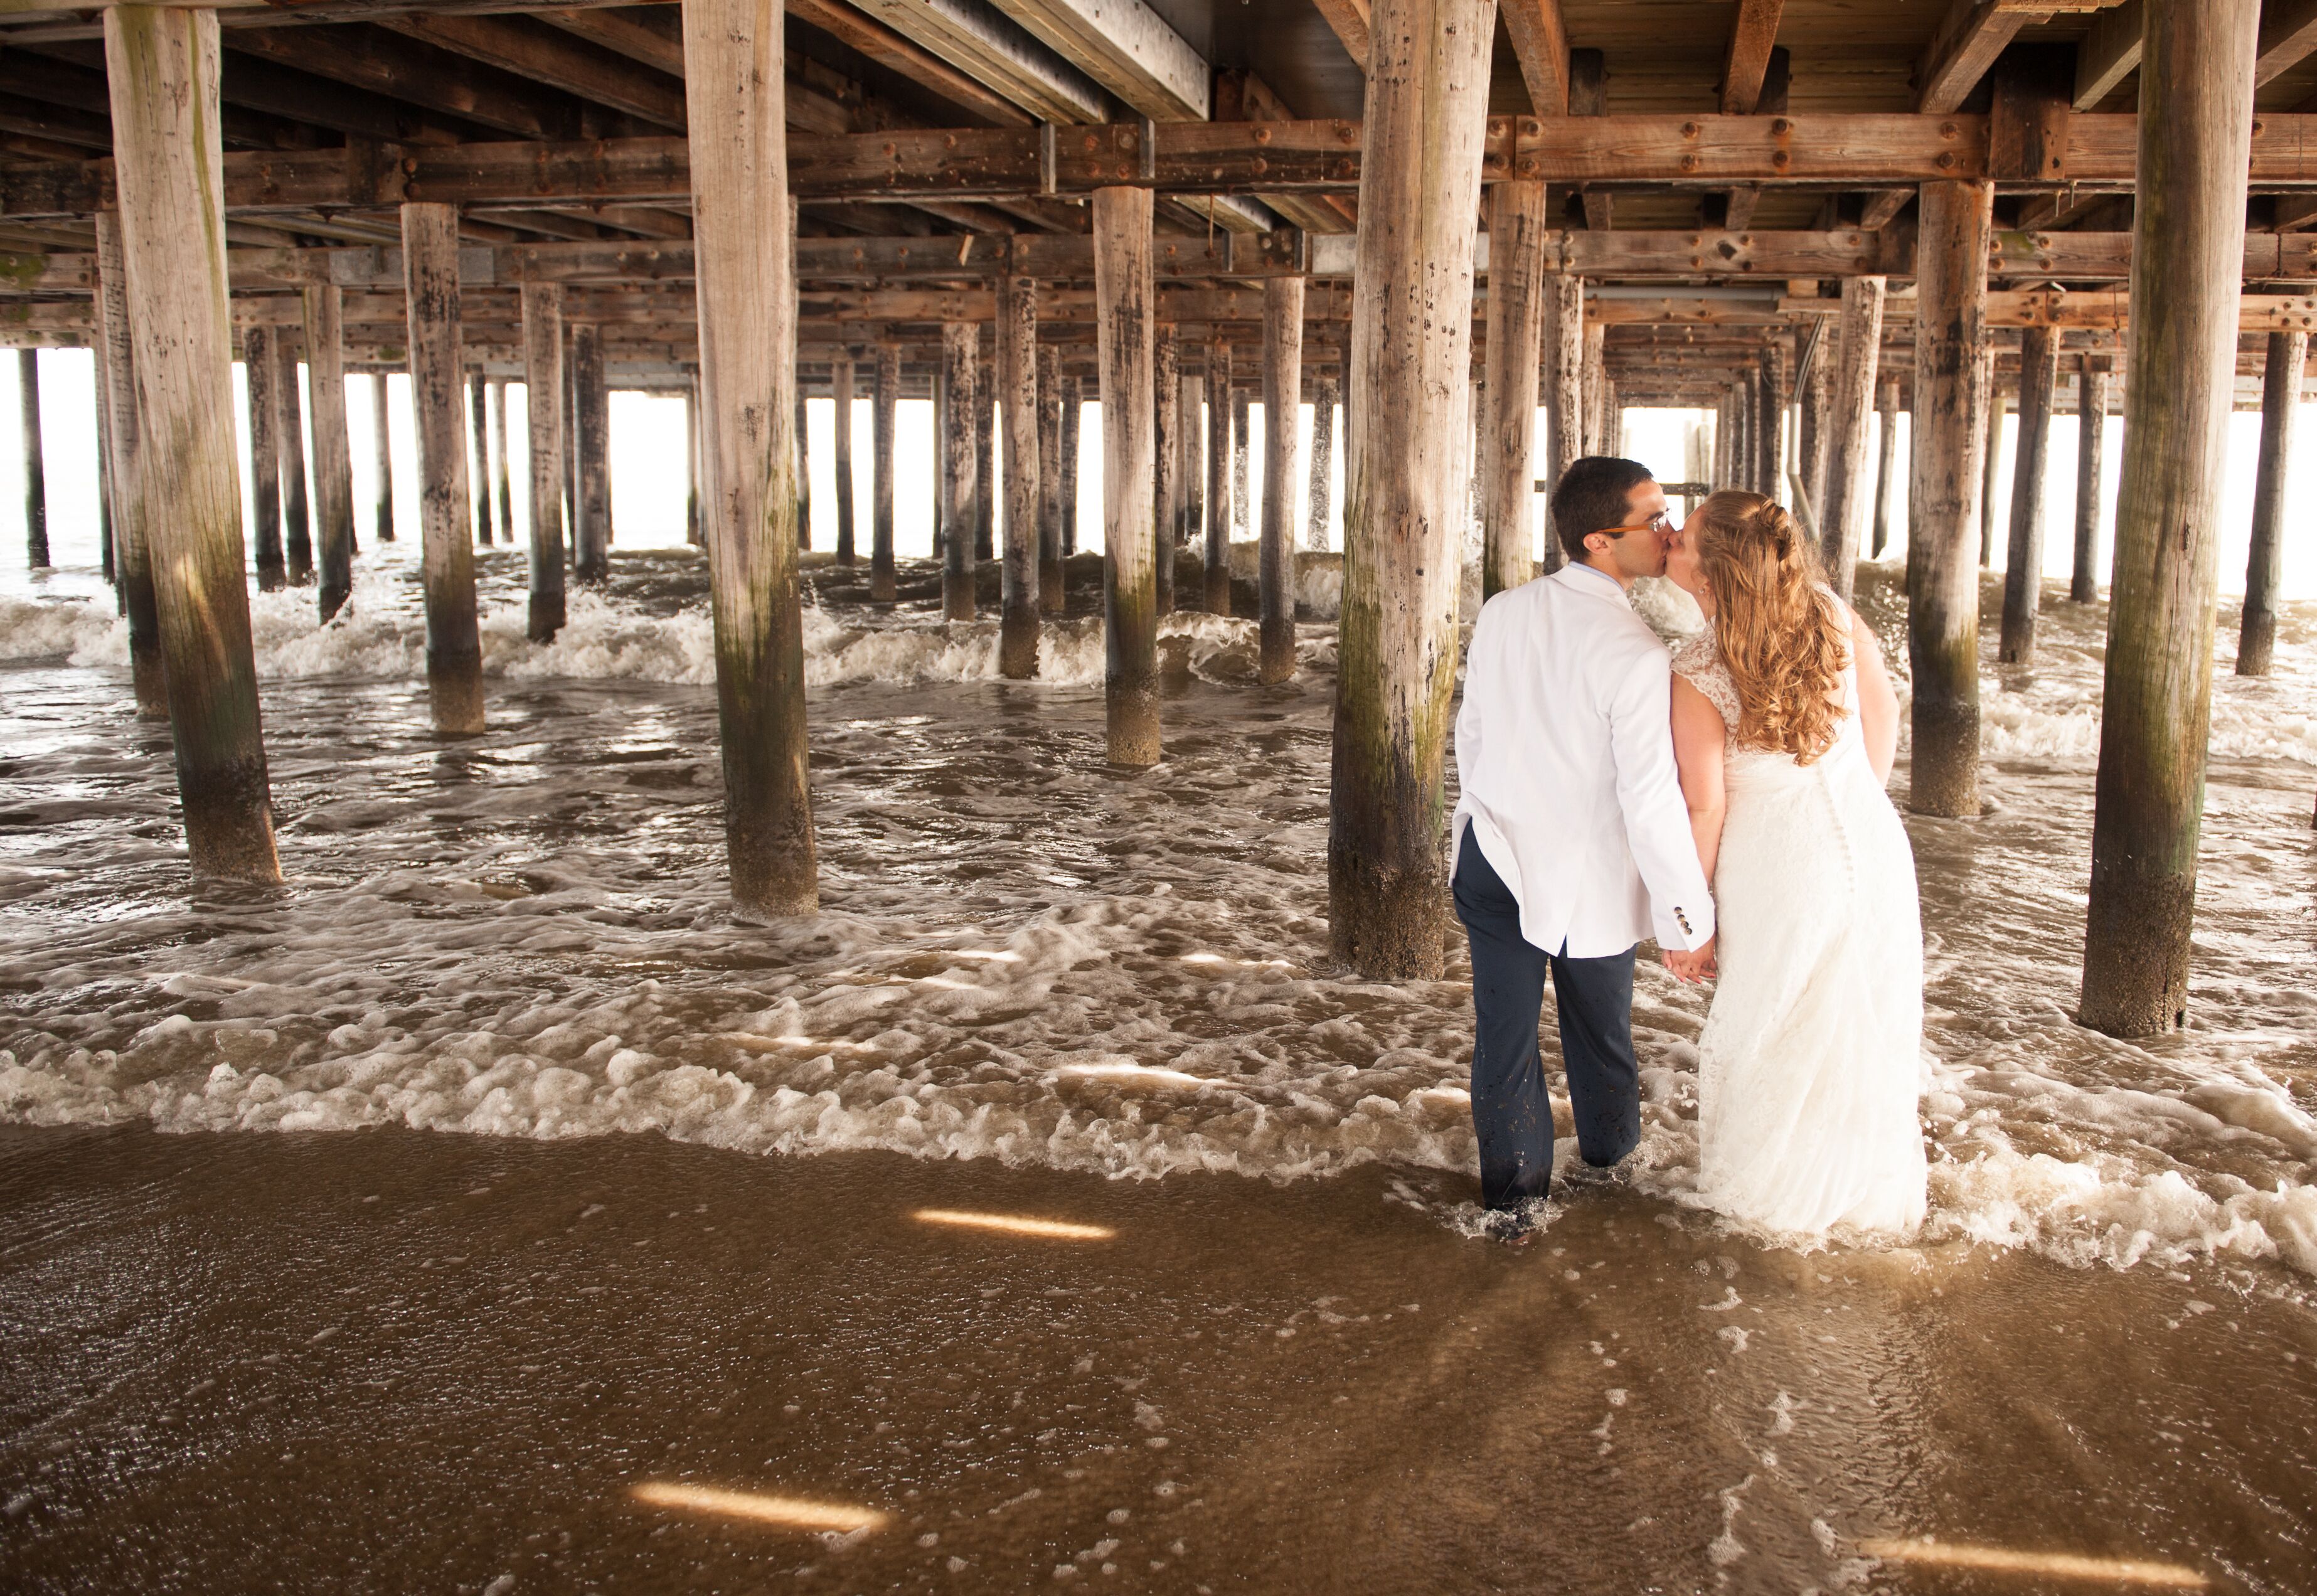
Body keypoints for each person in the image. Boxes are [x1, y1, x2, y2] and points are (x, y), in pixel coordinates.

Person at [1451, 457, 1717, 1239]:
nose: (1669, 532)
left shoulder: (1502, 610)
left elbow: (1472, 735)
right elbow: (1649, 798)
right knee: (1601, 1033)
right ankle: (1611, 1174)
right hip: (1581, 875)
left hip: (1491, 855)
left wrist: (1472, 825)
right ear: (1601, 540)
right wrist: (1686, 920)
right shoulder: (1637, 652)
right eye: (1656, 519)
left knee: (1504, 1039)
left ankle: (1513, 1212)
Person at [1664, 489, 1927, 1237]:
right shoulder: (1830, 612)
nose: (1669, 542)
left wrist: (1690, 921)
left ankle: (1768, 1213)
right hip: (1872, 847)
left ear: (1712, 575)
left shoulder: (1698, 665)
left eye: (1682, 537)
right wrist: (1856, 797)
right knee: (1864, 1023)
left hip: (1777, 866)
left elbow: (1704, 806)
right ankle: (1862, 1207)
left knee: (1770, 1028)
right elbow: (1884, 712)